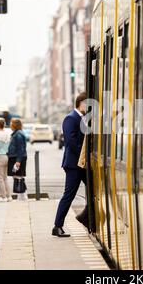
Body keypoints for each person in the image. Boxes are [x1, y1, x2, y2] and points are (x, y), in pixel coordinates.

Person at [52, 92, 88, 238]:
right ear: (81, 103)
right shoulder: (70, 118)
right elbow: (71, 142)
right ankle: (57, 226)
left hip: (81, 164)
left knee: (95, 191)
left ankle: (86, 217)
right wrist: (84, 156)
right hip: (74, 164)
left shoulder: (82, 119)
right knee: (69, 195)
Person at [7, 118, 28, 201]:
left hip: (17, 157)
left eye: (11, 124)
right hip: (15, 157)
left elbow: (21, 148)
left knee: (18, 176)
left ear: (14, 125)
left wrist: (18, 161)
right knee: (18, 176)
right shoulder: (16, 133)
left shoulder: (18, 134)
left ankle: (22, 195)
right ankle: (23, 194)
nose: (10, 125)